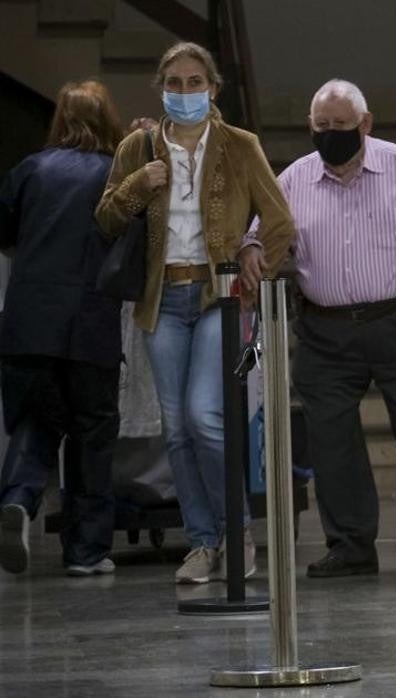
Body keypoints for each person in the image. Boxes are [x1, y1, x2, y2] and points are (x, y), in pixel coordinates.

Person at [248, 79, 396, 578]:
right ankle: (351, 544)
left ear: (366, 124)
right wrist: (252, 250)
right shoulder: (293, 179)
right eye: (322, 127)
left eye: (341, 126)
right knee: (331, 437)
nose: (331, 134)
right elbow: (262, 235)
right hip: (325, 330)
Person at [96, 42, 295, 584]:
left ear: (213, 88)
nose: (185, 92)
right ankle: (202, 542)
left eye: (194, 82)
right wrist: (141, 183)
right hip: (161, 299)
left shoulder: (238, 145)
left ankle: (237, 531)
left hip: (218, 298)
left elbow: (279, 219)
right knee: (175, 428)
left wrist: (258, 263)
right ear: (161, 87)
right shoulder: (138, 146)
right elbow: (107, 218)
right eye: (175, 83)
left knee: (205, 418)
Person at [0, 81, 125, 577]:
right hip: (90, 320)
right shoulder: (116, 174)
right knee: (93, 432)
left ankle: (18, 496)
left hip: (28, 320)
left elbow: (5, 232)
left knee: (37, 419)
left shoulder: (30, 169)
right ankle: (86, 551)